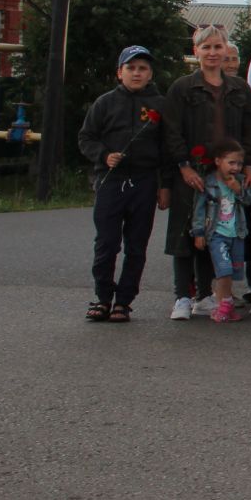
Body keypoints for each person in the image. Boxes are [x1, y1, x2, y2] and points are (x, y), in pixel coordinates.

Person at [162, 27, 251, 320]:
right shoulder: (182, 88)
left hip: (226, 174)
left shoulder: (239, 89)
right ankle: (182, 295)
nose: (213, 53)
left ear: (225, 50)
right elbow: (172, 130)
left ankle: (205, 295)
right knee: (185, 232)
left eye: (218, 47)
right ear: (196, 52)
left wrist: (249, 164)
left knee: (216, 232)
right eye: (206, 47)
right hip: (192, 171)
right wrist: (183, 165)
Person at [78, 45, 171, 323]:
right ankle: (103, 297)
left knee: (136, 246)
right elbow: (86, 138)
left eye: (142, 68)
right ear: (120, 73)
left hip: (144, 182)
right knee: (106, 242)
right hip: (111, 181)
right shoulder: (105, 103)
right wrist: (104, 155)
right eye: (131, 68)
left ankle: (124, 301)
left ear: (150, 73)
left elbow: (168, 148)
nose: (137, 73)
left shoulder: (160, 104)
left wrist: (164, 186)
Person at [189, 139, 251, 325]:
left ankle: (227, 304)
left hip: (237, 233)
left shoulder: (240, 181)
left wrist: (238, 189)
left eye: (239, 163)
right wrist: (199, 232)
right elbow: (199, 209)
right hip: (217, 234)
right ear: (218, 161)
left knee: (232, 272)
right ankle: (222, 306)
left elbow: (249, 200)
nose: (236, 167)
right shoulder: (209, 183)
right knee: (223, 271)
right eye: (231, 162)